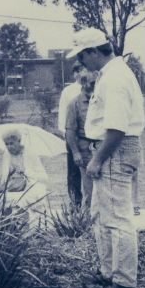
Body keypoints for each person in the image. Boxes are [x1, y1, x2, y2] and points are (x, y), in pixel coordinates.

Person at [72, 28, 145, 288]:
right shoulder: (110, 75)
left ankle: (124, 282)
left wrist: (97, 159)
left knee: (118, 217)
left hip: (114, 149)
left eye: (82, 55)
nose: (81, 62)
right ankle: (108, 272)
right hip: (108, 148)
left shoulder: (115, 78)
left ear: (93, 51)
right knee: (102, 216)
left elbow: (116, 129)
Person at [0, 130, 51, 221]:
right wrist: (9, 174)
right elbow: (3, 179)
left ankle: (23, 226)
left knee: (23, 199)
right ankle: (10, 227)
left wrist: (26, 171)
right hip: (15, 187)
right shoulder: (6, 154)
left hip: (32, 186)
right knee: (2, 199)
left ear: (19, 141)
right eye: (7, 144)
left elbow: (44, 178)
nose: (9, 147)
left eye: (12, 143)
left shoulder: (30, 153)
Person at [65, 72, 98, 210]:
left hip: (102, 147)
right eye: (92, 83)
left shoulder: (101, 100)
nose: (95, 86)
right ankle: (90, 219)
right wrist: (75, 153)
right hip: (85, 149)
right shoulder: (74, 103)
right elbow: (70, 130)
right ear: (84, 83)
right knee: (89, 189)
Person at [57, 64, 88, 206]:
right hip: (72, 136)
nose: (83, 73)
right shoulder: (68, 91)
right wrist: (66, 135)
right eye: (80, 71)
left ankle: (91, 203)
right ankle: (75, 202)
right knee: (73, 171)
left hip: (89, 136)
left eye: (85, 69)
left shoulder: (93, 88)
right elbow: (63, 113)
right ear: (75, 74)